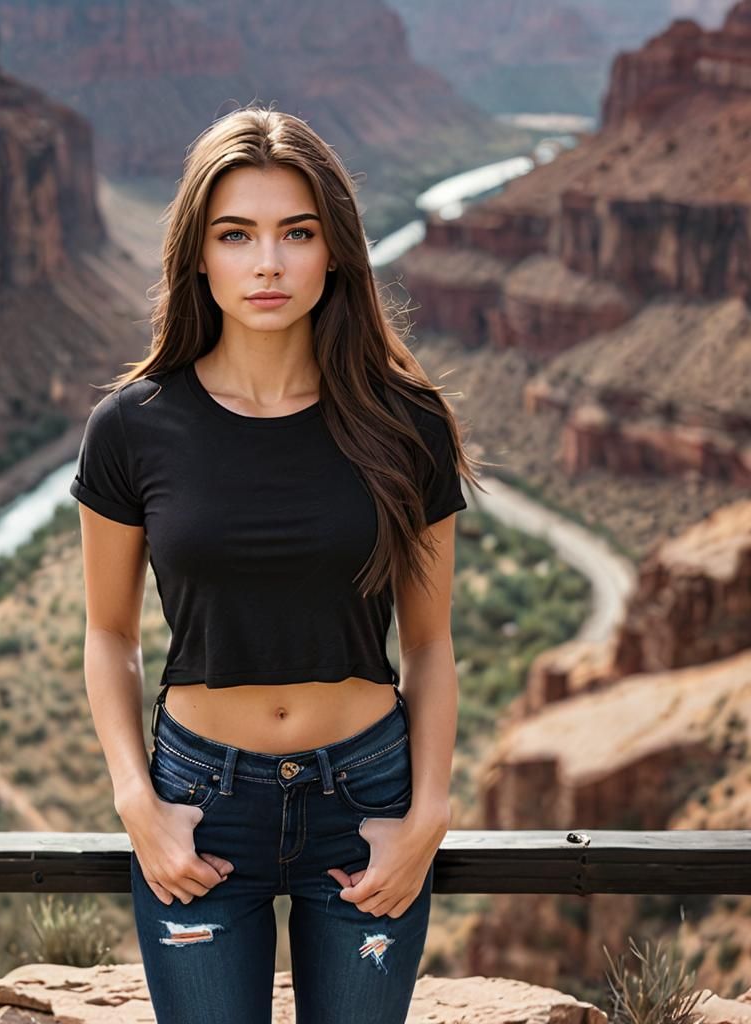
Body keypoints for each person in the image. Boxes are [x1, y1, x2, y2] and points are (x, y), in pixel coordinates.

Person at [69, 104, 486, 1024]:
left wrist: (428, 815)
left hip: (367, 799)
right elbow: (108, 634)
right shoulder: (131, 428)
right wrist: (136, 802)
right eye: (236, 235)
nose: (267, 263)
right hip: (199, 804)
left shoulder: (405, 422)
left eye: (297, 232)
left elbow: (429, 645)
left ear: (335, 251)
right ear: (197, 254)